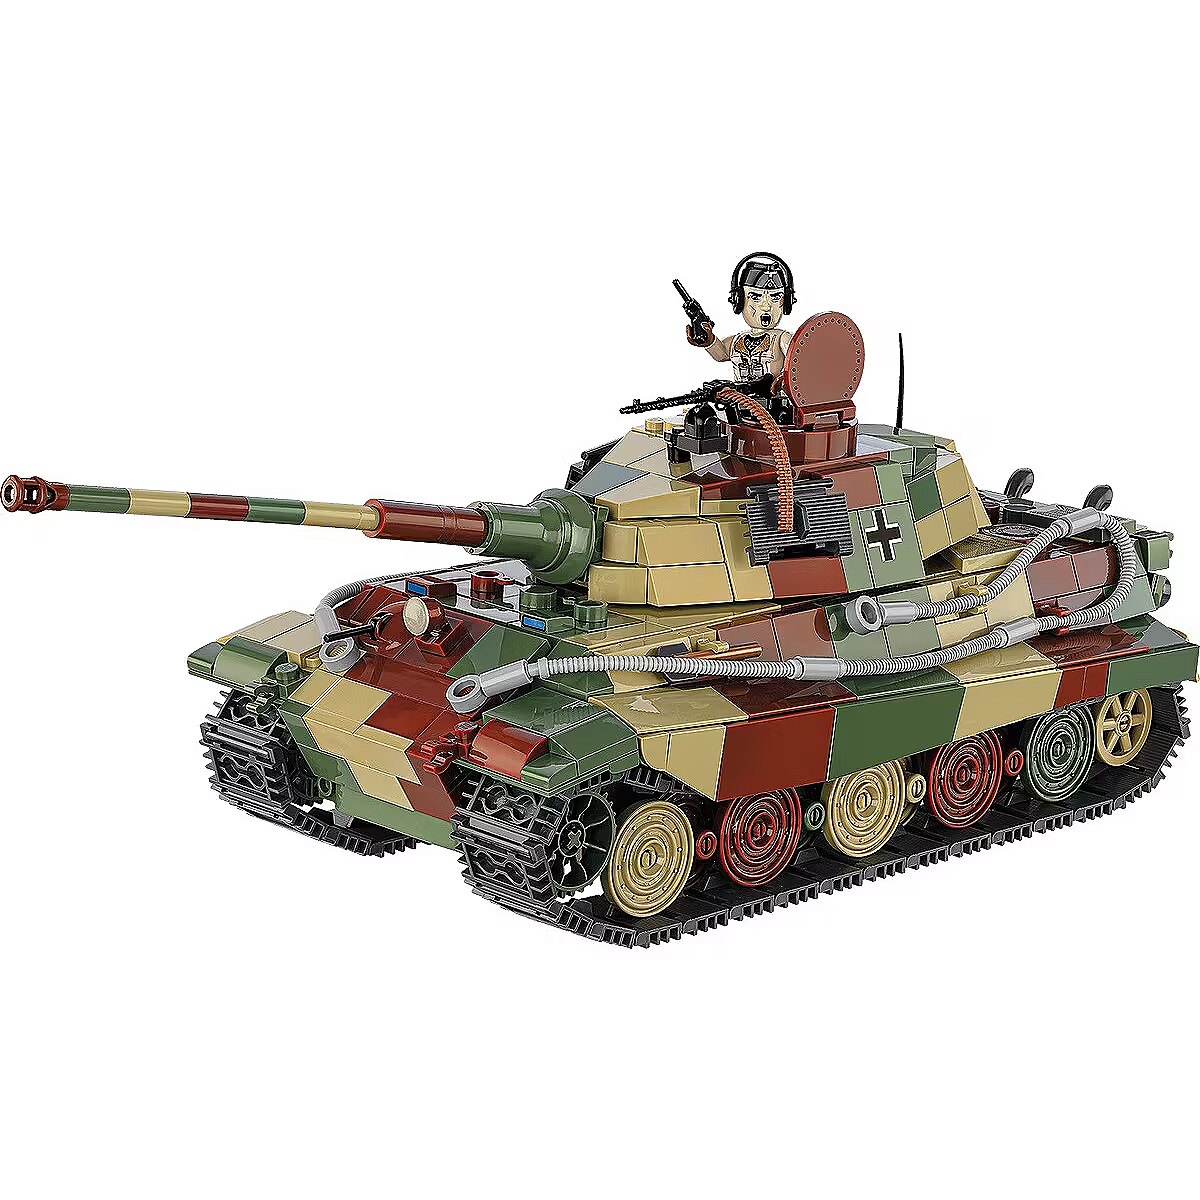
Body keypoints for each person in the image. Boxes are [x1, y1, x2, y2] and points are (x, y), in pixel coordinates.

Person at [686, 251, 795, 383]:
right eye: (755, 297)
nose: (766, 306)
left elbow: (799, 363)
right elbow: (721, 355)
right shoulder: (737, 340)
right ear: (739, 301)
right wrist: (708, 340)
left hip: (773, 396)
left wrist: (784, 380)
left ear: (786, 302)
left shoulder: (782, 339)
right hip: (739, 395)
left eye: (775, 297)